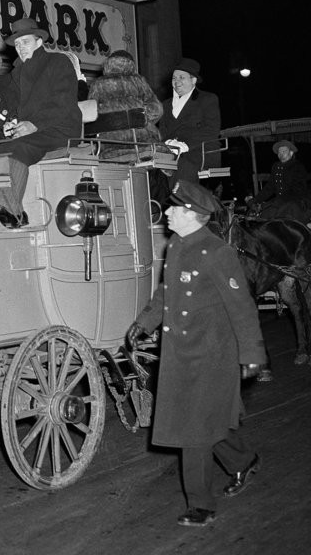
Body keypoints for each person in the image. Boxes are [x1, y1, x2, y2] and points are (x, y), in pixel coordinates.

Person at [126, 179, 265, 527]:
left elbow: (242, 308)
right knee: (204, 422)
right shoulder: (176, 246)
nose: (167, 212)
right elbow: (165, 294)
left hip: (212, 355)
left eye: (174, 208)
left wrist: (252, 354)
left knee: (192, 428)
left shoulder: (217, 252)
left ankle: (201, 504)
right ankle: (243, 461)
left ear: (193, 214)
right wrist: (144, 323)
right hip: (180, 353)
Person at [0, 18, 82, 226]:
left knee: (18, 146)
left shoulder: (58, 62)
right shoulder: (16, 73)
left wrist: (34, 124)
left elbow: (63, 102)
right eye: (18, 44)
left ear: (39, 42)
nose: (21, 48)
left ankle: (10, 211)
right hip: (34, 130)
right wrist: (10, 122)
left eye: (26, 42)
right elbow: (14, 107)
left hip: (61, 126)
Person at [158, 57, 221, 184]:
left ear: (194, 80)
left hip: (199, 150)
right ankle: (157, 203)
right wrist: (169, 143)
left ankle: (182, 201)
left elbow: (211, 130)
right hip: (171, 152)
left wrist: (185, 145)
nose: (177, 81)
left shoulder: (207, 99)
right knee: (152, 167)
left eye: (182, 77)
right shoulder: (165, 104)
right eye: (174, 78)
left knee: (182, 165)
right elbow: (162, 132)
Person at [85, 49, 163, 147]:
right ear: (131, 65)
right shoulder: (138, 81)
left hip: (108, 143)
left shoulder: (97, 84)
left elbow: (90, 115)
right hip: (140, 142)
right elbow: (156, 110)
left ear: (108, 63)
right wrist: (140, 118)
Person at [247, 140, 311, 221]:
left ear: (291, 153)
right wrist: (255, 200)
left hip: (296, 201)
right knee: (263, 216)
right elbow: (269, 188)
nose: (281, 154)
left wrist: (273, 202)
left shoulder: (298, 167)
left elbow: (297, 190)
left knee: (282, 217)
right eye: (279, 152)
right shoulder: (276, 167)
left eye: (284, 151)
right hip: (280, 202)